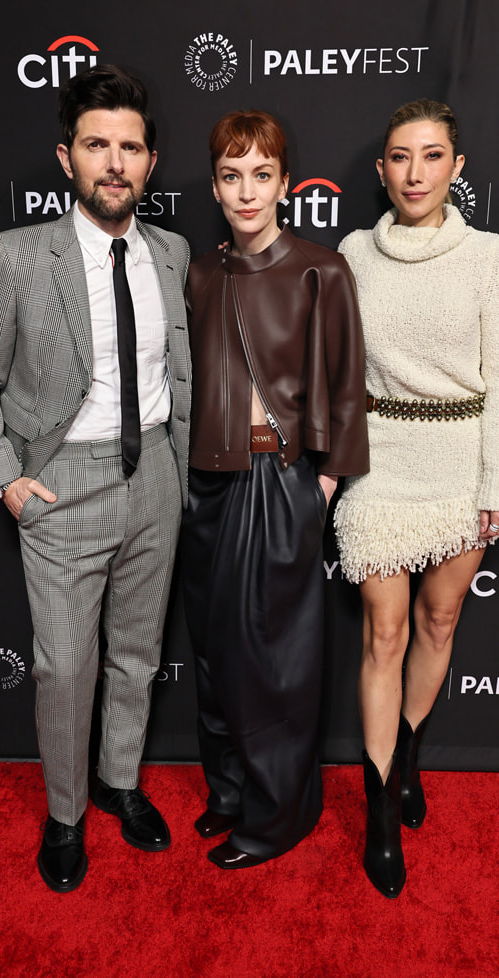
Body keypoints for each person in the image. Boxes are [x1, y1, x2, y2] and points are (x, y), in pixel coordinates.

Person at [0, 65, 191, 893]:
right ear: (67, 158)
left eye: (130, 148)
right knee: (63, 668)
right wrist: (8, 481)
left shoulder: (173, 253)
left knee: (136, 652)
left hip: (154, 472)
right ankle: (65, 814)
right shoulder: (16, 258)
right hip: (61, 487)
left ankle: (120, 782)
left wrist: (177, 467)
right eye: (98, 146)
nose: (114, 163)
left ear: (150, 163)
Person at [334, 98, 499, 898]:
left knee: (437, 622)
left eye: (432, 155)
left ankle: (408, 758)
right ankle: (380, 807)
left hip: (462, 462)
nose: (416, 173)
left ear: (457, 167)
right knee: (383, 634)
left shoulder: (489, 254)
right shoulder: (350, 251)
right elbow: (337, 371)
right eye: (401, 158)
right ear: (382, 171)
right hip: (379, 462)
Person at [181, 110, 369, 869]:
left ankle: (278, 816)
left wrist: (319, 485)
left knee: (273, 664)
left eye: (262, 175)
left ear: (286, 184)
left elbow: (348, 388)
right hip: (204, 484)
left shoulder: (322, 269)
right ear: (217, 186)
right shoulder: (198, 273)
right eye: (232, 175)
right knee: (213, 655)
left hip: (277, 481)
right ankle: (228, 793)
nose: (246, 191)